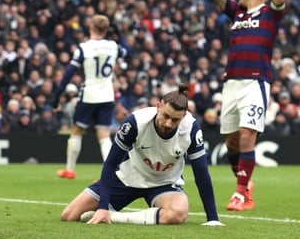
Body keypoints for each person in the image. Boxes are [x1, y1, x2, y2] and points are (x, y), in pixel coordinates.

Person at [193, 0, 287, 211]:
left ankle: (239, 193)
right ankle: (245, 185)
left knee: (247, 135)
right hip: (231, 83)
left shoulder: (271, 12)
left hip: (255, 82)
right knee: (232, 142)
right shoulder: (237, 13)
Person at [60, 85, 223, 226]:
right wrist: (102, 206)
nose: (168, 123)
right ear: (158, 106)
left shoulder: (191, 128)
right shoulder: (135, 122)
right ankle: (106, 211)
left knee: (178, 213)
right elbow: (111, 162)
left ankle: (116, 217)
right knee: (69, 215)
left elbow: (201, 173)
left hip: (164, 183)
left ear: (184, 116)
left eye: (175, 120)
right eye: (166, 116)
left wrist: (212, 218)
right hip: (128, 177)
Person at [54, 14, 128, 179]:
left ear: (91, 27)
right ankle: (111, 173)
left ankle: (70, 169)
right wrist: (120, 35)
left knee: (77, 130)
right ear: (107, 29)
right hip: (107, 95)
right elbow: (127, 51)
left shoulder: (84, 48)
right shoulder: (113, 46)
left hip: (89, 95)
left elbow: (69, 72)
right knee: (103, 135)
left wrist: (59, 92)